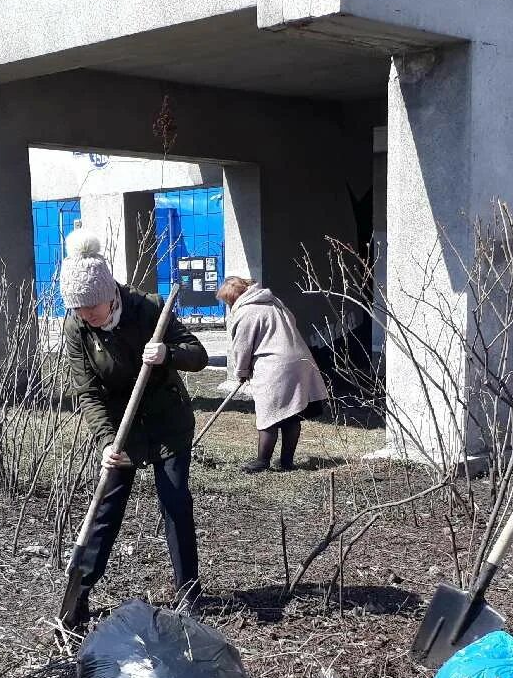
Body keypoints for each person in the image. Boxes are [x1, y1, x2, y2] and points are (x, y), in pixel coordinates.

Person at [60, 229, 209, 629]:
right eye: (78, 309)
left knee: (175, 503)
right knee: (107, 506)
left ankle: (188, 592)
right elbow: (88, 392)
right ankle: (78, 597)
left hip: (166, 422)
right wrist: (108, 441)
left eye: (92, 306)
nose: (86, 315)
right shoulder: (77, 329)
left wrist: (168, 354)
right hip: (120, 427)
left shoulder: (150, 309)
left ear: (110, 293)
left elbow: (200, 355)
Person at [218, 276, 329, 473]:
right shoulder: (275, 303)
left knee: (268, 414)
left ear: (233, 298)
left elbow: (242, 347)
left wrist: (242, 371)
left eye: (228, 301)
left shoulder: (246, 311)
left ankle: (262, 461)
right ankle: (286, 462)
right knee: (291, 414)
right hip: (300, 359)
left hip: (275, 365)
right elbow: (292, 322)